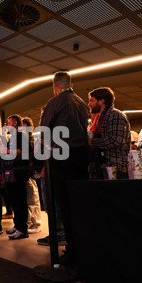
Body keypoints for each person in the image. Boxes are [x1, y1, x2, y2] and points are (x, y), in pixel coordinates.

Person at [40, 72, 90, 269]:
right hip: (81, 156)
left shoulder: (56, 101)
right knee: (80, 204)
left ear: (55, 86)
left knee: (65, 205)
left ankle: (72, 251)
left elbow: (44, 131)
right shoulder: (81, 103)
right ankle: (83, 246)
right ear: (71, 84)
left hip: (62, 157)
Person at [88, 87, 131, 179]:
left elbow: (116, 140)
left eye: (92, 101)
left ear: (101, 101)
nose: (89, 104)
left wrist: (93, 142)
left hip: (116, 168)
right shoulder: (99, 118)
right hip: (106, 166)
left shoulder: (115, 115)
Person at [3, 114, 30, 240]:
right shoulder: (12, 137)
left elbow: (21, 151)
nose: (7, 125)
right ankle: (17, 224)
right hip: (12, 172)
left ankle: (22, 229)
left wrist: (7, 151)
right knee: (14, 199)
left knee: (19, 200)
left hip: (19, 172)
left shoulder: (21, 135)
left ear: (14, 123)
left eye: (9, 123)